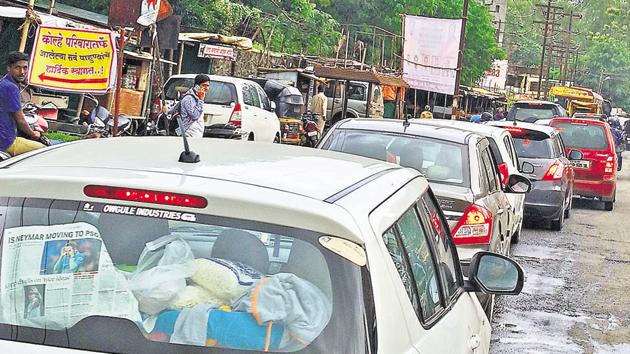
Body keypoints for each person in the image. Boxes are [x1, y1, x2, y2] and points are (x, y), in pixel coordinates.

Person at [0, 51, 45, 157]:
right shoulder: (11, 87)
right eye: (17, 68)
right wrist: (34, 134)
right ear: (8, 68)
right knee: (44, 151)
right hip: (6, 142)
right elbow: (20, 121)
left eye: (25, 68)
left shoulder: (3, 82)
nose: (22, 72)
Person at [171, 74, 209, 138]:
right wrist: (201, 100)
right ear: (197, 86)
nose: (206, 88)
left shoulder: (197, 97)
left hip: (196, 133)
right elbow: (195, 116)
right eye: (203, 85)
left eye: (208, 85)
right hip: (189, 133)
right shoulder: (189, 98)